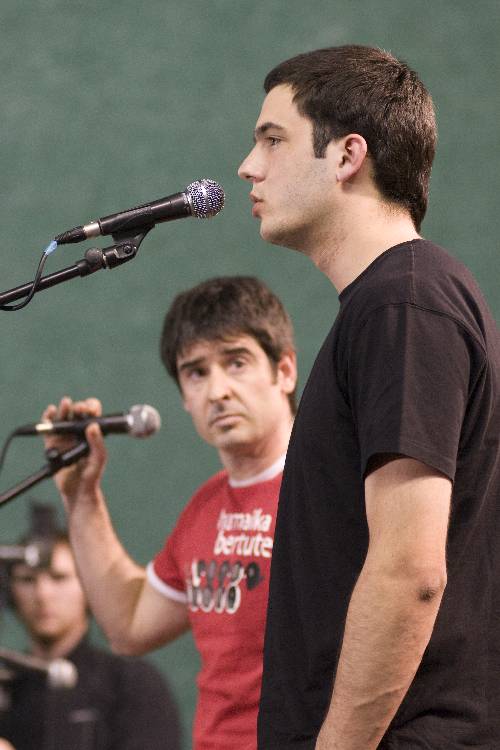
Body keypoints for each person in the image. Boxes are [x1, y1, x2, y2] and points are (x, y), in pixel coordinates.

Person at [238, 45, 500, 749]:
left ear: (348, 155)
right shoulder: (392, 304)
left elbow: (411, 570)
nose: (249, 166)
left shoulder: (404, 305)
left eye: (273, 139)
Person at [42, 276, 298, 750]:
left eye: (236, 362)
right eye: (196, 372)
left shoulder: (328, 490)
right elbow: (130, 625)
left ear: (284, 371)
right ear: (182, 396)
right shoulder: (207, 505)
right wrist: (81, 497)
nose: (217, 391)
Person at [0, 503, 182, 750]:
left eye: (59, 578)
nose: (43, 594)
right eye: (27, 580)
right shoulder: (8, 688)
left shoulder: (130, 684)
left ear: (88, 586)